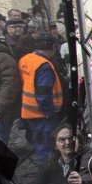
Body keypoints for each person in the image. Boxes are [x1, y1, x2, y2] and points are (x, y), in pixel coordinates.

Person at [18, 33, 64, 165]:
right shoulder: (44, 65)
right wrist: (49, 113)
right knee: (46, 146)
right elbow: (43, 92)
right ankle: (47, 174)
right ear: (54, 47)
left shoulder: (26, 59)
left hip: (28, 110)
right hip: (42, 114)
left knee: (39, 143)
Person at [28, 125, 92, 184]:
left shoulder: (88, 159)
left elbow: (90, 183)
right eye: (62, 140)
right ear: (55, 145)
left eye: (71, 138)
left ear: (79, 141)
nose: (67, 143)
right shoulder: (51, 163)